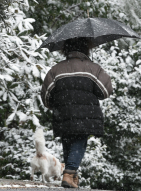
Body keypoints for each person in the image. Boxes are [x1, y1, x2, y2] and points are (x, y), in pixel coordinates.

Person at [40, 37, 114, 188]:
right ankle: (68, 174)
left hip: (62, 113)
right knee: (79, 141)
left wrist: (56, 105)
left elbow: (46, 97)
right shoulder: (94, 68)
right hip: (85, 114)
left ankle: (72, 177)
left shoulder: (55, 70)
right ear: (86, 49)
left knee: (68, 142)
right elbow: (106, 91)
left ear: (65, 49)